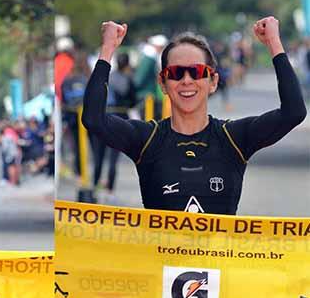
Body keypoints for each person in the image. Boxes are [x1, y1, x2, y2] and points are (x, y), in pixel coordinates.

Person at [82, 18, 306, 215]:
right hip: (159, 261)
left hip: (220, 261)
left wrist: (274, 44)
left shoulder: (233, 138)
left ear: (213, 82)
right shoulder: (147, 139)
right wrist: (107, 49)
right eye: (176, 73)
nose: (186, 80)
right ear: (163, 83)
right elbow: (93, 119)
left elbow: (293, 112)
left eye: (197, 72)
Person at [91, 52, 136, 203]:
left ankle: (94, 189)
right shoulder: (128, 80)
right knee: (113, 160)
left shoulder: (107, 77)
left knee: (98, 158)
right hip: (119, 121)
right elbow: (132, 101)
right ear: (128, 64)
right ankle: (110, 191)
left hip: (101, 118)